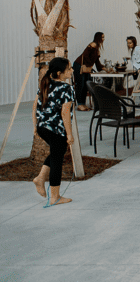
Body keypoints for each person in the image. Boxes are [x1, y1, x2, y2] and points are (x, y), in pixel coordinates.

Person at [32, 57, 75, 207]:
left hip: (42, 127)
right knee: (57, 160)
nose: (72, 70)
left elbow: (34, 107)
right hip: (56, 129)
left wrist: (35, 126)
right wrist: (69, 134)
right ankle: (55, 197)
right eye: (69, 69)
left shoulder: (45, 84)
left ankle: (40, 178)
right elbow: (65, 113)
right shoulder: (66, 88)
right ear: (59, 73)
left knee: (57, 152)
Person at [73, 32, 106, 111]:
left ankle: (83, 104)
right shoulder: (93, 44)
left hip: (86, 68)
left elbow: (97, 63)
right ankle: (80, 104)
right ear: (98, 37)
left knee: (85, 85)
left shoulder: (97, 48)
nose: (103, 39)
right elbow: (85, 55)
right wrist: (89, 65)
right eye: (102, 37)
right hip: (79, 66)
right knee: (80, 85)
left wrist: (105, 68)